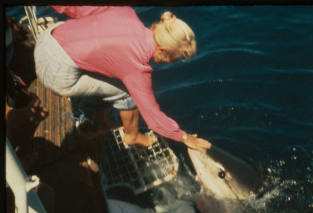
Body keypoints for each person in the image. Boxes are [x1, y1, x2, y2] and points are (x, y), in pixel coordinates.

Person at [34, 6, 211, 152]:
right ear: (163, 50)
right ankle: (132, 136)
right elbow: (154, 118)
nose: (170, 63)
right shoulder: (137, 67)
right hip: (54, 73)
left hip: (47, 39)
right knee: (127, 93)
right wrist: (184, 137)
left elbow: (77, 8)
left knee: (111, 70)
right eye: (173, 59)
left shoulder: (125, 12)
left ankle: (101, 121)